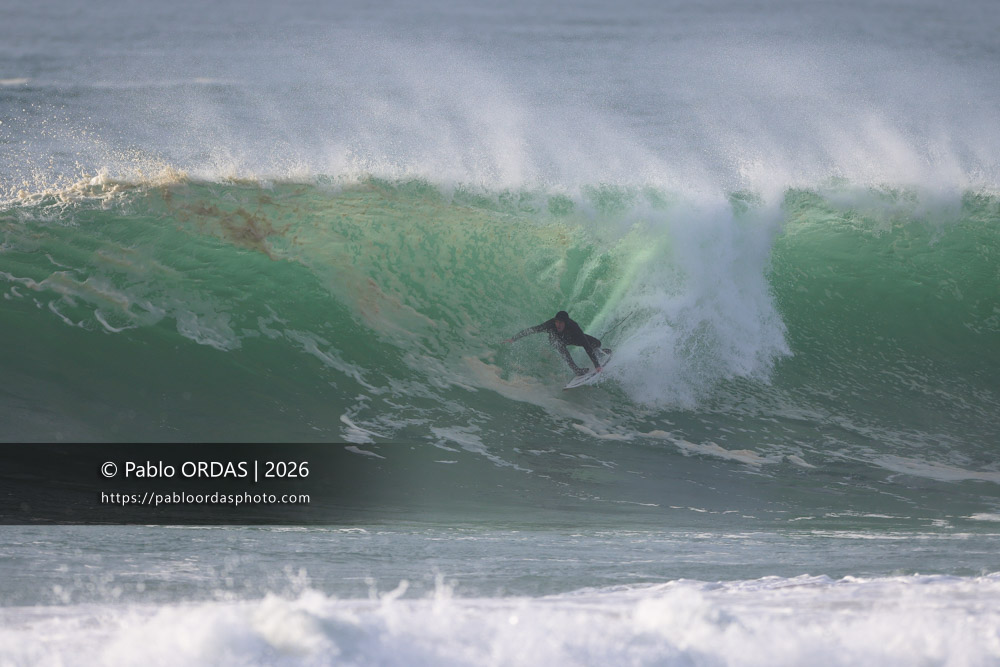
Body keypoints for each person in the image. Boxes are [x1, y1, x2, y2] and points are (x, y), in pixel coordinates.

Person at [503, 311, 611, 376]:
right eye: (557, 322)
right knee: (560, 346)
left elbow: (586, 345)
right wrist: (514, 338)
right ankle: (576, 370)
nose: (558, 325)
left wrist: (597, 365)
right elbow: (533, 330)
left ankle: (598, 353)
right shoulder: (550, 325)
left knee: (596, 343)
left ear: (566, 323)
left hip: (571, 338)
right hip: (556, 340)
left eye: (560, 323)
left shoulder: (574, 327)